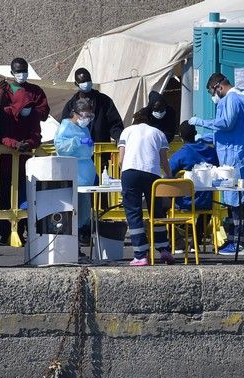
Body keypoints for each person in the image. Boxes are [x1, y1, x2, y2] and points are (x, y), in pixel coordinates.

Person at [188, 72, 244, 256]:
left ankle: (239, 241)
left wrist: (201, 122)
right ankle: (234, 239)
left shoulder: (231, 99)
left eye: (211, 92)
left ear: (218, 87)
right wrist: (205, 137)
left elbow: (227, 123)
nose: (213, 97)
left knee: (236, 200)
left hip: (235, 156)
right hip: (242, 152)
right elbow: (239, 128)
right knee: (239, 200)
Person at [118, 110, 173, 266]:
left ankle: (141, 254)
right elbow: (164, 160)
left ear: (135, 120)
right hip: (152, 174)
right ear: (150, 120)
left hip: (130, 173)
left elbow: (121, 159)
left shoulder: (127, 131)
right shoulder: (158, 133)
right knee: (157, 212)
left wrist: (122, 175)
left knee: (134, 213)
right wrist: (169, 176)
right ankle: (164, 250)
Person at [0, 91, 42, 245]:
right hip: (4, 165)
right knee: (4, 199)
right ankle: (4, 234)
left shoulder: (33, 116)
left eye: (30, 106)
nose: (27, 109)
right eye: (25, 106)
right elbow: (1, 135)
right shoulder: (6, 114)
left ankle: (21, 231)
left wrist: (28, 144)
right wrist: (14, 144)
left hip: (25, 166)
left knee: (23, 199)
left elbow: (37, 136)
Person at [54, 98, 96, 250]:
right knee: (71, 211)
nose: (87, 119)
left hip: (85, 176)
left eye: (90, 116)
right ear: (76, 113)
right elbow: (60, 147)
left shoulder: (84, 128)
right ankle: (71, 247)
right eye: (85, 115)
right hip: (72, 173)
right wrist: (77, 142)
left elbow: (87, 150)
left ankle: (77, 243)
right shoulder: (66, 126)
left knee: (84, 211)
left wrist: (88, 144)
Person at [169, 121, 218, 249]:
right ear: (196, 134)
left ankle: (176, 240)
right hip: (206, 200)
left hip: (184, 201)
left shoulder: (180, 154)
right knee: (205, 209)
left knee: (161, 204)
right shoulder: (211, 152)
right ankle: (196, 239)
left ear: (180, 136)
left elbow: (168, 174)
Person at [61, 68, 124, 142]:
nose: (86, 83)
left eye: (88, 80)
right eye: (83, 81)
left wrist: (118, 137)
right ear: (76, 83)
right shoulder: (71, 105)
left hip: (101, 148)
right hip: (80, 149)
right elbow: (65, 128)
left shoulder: (104, 101)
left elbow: (115, 124)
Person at [0, 57, 50, 122]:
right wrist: (2, 92)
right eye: (18, 71)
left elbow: (44, 115)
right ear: (12, 73)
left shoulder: (36, 91)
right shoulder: (5, 89)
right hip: (9, 130)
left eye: (24, 71)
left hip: (30, 130)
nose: (22, 74)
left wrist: (30, 112)